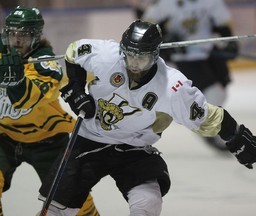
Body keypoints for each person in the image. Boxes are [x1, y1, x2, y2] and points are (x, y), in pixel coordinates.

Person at [38, 20, 256, 215]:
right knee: (55, 210)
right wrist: (76, 89)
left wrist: (235, 137)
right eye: (129, 55)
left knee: (147, 203)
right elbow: (74, 51)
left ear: (155, 54)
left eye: (141, 57)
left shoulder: (172, 87)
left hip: (134, 148)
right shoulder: (108, 55)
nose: (133, 63)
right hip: (88, 140)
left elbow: (210, 116)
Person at [0, 6, 99, 216]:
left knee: (75, 198)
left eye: (24, 36)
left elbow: (24, 101)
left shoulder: (46, 65)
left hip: (47, 141)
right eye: (12, 34)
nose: (17, 41)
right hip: (2, 136)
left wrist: (17, 80)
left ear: (36, 37)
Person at [141, 0, 239, 151]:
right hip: (184, 59)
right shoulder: (165, 4)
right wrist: (165, 39)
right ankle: (203, 124)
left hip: (206, 54)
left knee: (221, 91)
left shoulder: (211, 2)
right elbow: (146, 27)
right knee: (215, 93)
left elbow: (222, 25)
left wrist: (230, 42)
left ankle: (201, 121)